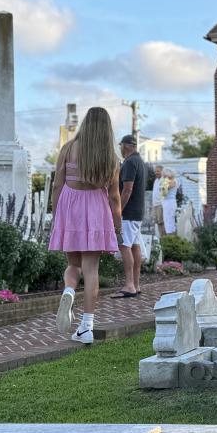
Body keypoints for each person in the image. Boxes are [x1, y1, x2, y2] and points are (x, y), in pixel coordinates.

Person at [49, 107, 121, 344]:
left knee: (73, 264)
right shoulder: (111, 157)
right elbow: (114, 197)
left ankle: (69, 291)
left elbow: (58, 185)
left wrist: (56, 213)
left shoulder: (68, 148)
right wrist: (116, 225)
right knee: (91, 270)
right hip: (96, 210)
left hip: (70, 207)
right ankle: (86, 327)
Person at [113, 134, 147, 298]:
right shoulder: (140, 162)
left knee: (124, 246)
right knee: (134, 246)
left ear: (126, 146)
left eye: (121, 146)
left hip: (128, 212)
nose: (120, 149)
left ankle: (129, 285)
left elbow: (127, 189)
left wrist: (118, 210)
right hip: (137, 211)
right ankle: (136, 284)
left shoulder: (129, 162)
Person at [160, 168, 179, 234]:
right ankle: (169, 235)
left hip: (170, 202)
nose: (164, 177)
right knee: (167, 221)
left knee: (170, 221)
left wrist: (164, 182)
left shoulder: (173, 181)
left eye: (165, 175)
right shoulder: (167, 181)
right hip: (166, 202)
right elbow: (163, 193)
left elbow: (164, 192)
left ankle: (171, 235)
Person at [151, 165, 166, 237]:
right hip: (155, 204)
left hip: (161, 204)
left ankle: (163, 238)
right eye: (155, 171)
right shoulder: (156, 181)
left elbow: (164, 194)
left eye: (158, 171)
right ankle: (160, 238)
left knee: (161, 222)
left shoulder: (164, 180)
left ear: (162, 172)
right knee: (157, 222)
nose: (156, 172)